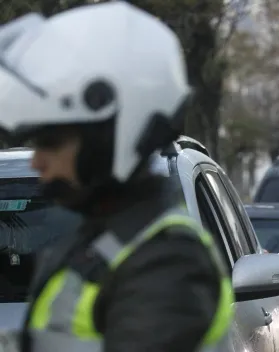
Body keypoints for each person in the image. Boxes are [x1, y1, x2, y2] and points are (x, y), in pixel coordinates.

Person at [0, 2, 233, 352]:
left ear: (109, 137)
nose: (37, 161)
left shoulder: (166, 265)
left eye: (51, 142)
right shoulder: (106, 242)